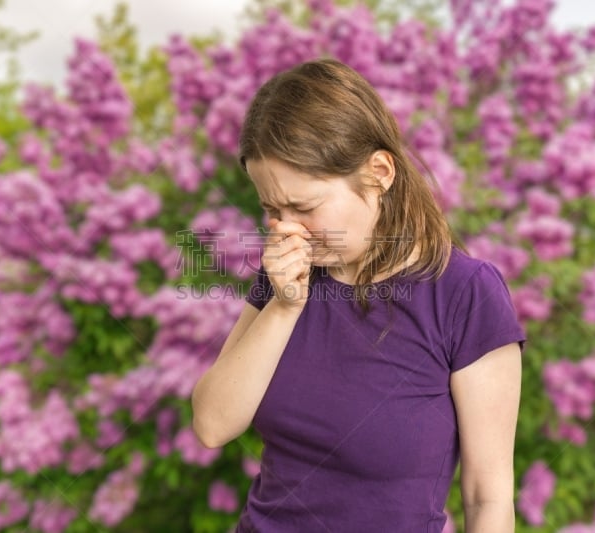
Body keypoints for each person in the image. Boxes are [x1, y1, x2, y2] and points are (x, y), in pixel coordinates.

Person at [191, 58, 526, 532]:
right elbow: (212, 424)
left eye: (304, 206)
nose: (286, 227)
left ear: (379, 173)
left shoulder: (464, 295)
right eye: (271, 208)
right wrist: (285, 307)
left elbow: (487, 498)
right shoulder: (288, 274)